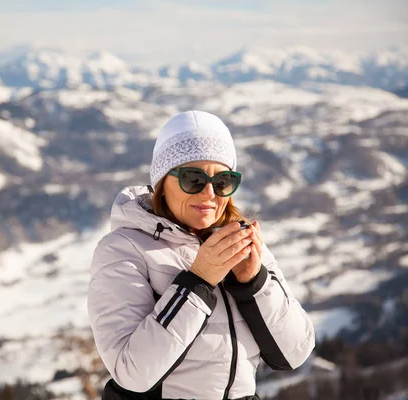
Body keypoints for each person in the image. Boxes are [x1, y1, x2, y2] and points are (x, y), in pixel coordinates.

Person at [87, 110, 315, 400]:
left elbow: (294, 354)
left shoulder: (239, 242)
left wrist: (254, 283)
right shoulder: (122, 249)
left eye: (223, 182)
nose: (209, 193)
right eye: (193, 179)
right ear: (162, 182)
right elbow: (132, 372)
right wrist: (197, 282)